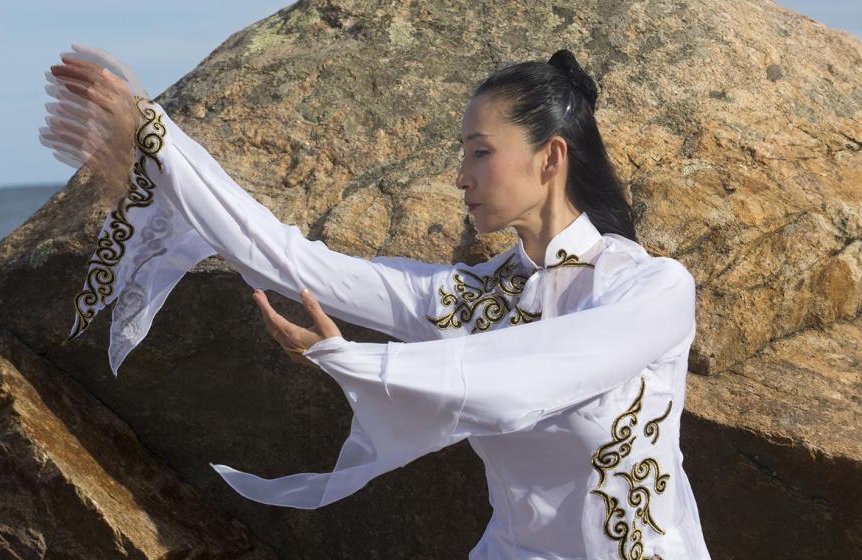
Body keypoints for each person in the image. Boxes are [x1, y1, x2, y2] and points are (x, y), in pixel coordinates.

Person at [43, 44, 711, 560]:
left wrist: (353, 361)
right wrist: (156, 138)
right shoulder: (466, 299)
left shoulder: (651, 291)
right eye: (461, 153)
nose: (460, 177)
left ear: (550, 158)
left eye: (480, 153)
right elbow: (289, 259)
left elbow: (530, 377)